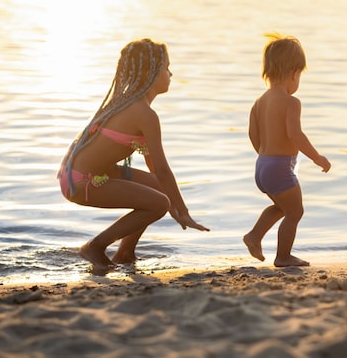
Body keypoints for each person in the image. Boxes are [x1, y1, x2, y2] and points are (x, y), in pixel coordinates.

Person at [57, 39, 209, 271]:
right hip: (81, 180)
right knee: (160, 203)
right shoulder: (144, 113)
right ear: (150, 72)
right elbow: (163, 170)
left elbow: (156, 173)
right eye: (166, 68)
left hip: (89, 173)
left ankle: (125, 252)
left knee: (159, 192)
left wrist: (176, 207)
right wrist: (182, 210)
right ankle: (95, 247)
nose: (171, 73)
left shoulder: (133, 106)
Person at [243, 33, 332, 267]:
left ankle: (254, 236)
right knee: (295, 212)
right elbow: (296, 135)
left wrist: (265, 155)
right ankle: (283, 256)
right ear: (294, 73)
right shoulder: (292, 103)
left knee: (281, 207)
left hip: (262, 166)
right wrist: (317, 157)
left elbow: (253, 134)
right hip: (279, 167)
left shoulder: (259, 102)